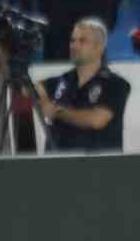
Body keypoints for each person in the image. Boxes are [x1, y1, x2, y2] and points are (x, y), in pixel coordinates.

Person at [35, 18, 131, 153]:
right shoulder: (62, 81)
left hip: (97, 169)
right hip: (58, 168)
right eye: (72, 40)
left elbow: (96, 120)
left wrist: (56, 111)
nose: (74, 46)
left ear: (99, 47)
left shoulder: (115, 84)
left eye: (82, 41)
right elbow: (30, 87)